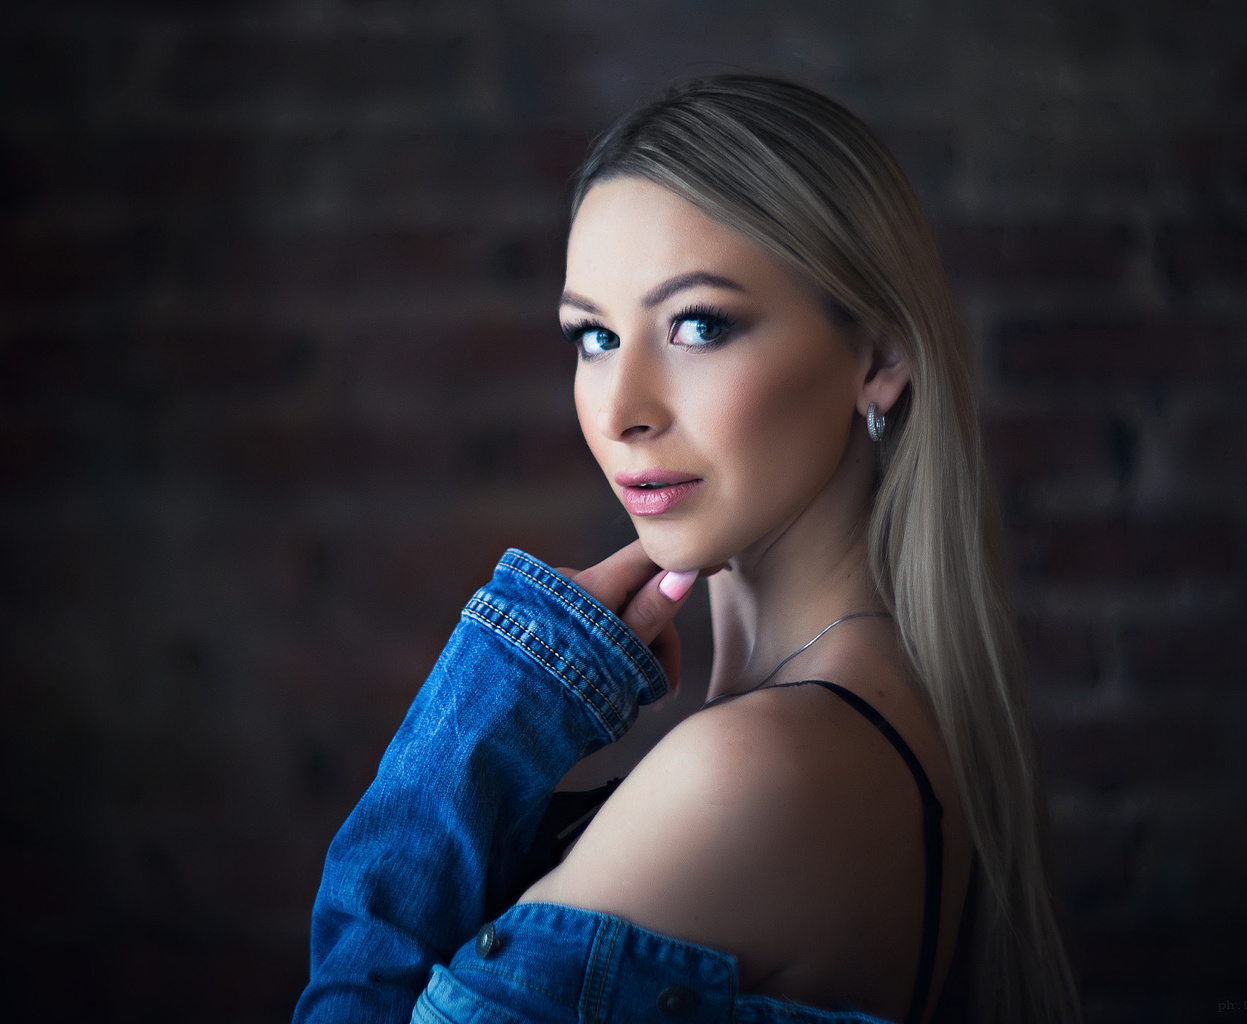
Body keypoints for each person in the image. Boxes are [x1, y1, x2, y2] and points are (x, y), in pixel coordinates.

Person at [294, 75, 1082, 1024]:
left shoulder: (750, 772)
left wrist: (499, 696)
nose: (622, 411)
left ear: (878, 357)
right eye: (593, 336)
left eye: (698, 325)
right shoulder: (887, 720)